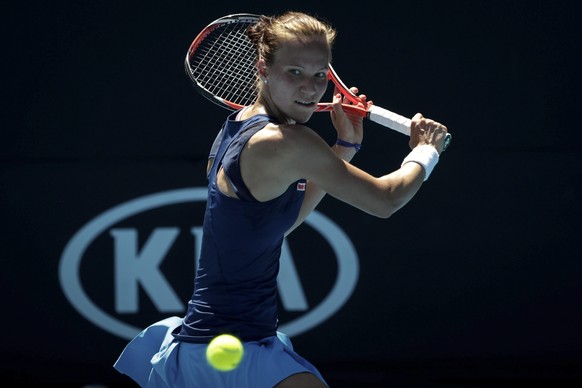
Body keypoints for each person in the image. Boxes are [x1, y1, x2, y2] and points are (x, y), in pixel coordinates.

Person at [114, 10, 449, 388]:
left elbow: (278, 225)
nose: (310, 88)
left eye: (320, 74)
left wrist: (346, 146)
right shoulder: (287, 142)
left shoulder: (238, 125)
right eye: (295, 72)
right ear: (262, 69)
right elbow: (386, 200)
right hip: (235, 353)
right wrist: (426, 151)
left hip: (203, 348)